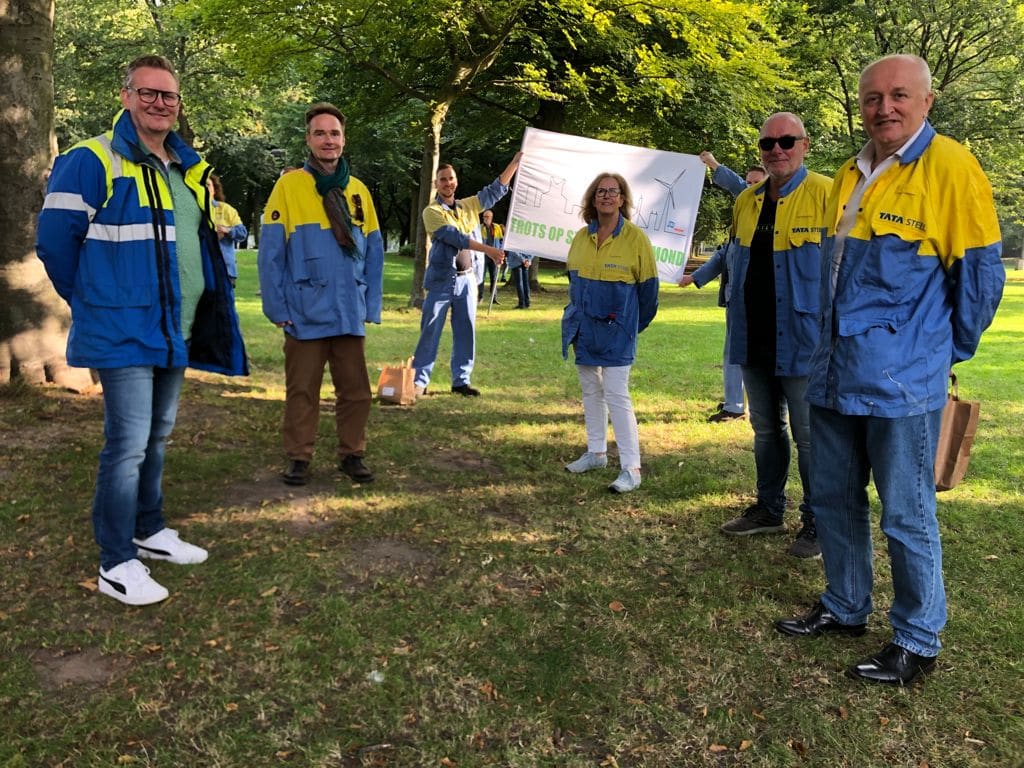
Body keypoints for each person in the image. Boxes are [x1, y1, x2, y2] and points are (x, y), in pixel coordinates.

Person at [776, 55, 1005, 685]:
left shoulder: (952, 167)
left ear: (927, 101)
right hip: (832, 369)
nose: (885, 107)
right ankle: (846, 606)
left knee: (905, 512)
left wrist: (938, 352)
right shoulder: (852, 171)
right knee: (833, 496)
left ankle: (917, 639)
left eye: (900, 95)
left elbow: (981, 281)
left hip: (902, 380)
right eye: (873, 97)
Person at [36, 54, 248, 606]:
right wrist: (93, 302)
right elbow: (56, 241)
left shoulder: (186, 168)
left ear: (179, 106)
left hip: (173, 328)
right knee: (126, 444)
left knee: (157, 436)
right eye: (147, 93)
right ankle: (115, 561)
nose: (159, 103)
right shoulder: (92, 159)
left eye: (169, 96)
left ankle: (148, 530)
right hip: (122, 329)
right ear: (126, 96)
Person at [716, 113, 831, 559]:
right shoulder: (745, 201)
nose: (776, 150)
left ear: (804, 145)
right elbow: (735, 265)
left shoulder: (826, 193)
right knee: (765, 429)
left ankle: (818, 522)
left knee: (810, 436)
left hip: (804, 340)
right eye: (768, 143)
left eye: (786, 141)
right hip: (753, 335)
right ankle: (768, 508)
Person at [258, 103, 385, 486]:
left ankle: (352, 453)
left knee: (357, 392)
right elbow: (271, 253)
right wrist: (276, 306)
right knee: (302, 390)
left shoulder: (358, 190)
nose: (328, 140)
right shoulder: (289, 185)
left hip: (347, 308)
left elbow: (374, 252)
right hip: (303, 308)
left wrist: (371, 304)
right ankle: (299, 457)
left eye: (334, 133)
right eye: (320, 133)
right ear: (308, 139)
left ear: (343, 140)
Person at [562, 172, 659, 494]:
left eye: (612, 192)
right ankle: (596, 452)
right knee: (590, 389)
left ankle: (631, 468)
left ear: (622, 199)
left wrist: (630, 327)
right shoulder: (580, 237)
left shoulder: (636, 239)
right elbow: (573, 283)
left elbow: (649, 295)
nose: (606, 196)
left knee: (617, 395)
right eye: (600, 191)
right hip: (584, 328)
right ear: (592, 198)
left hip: (619, 330)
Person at [411, 155, 522, 397]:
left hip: (467, 280)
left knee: (466, 331)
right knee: (430, 330)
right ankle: (419, 381)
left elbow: (495, 191)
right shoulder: (431, 212)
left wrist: (514, 163)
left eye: (450, 178)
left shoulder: (469, 205)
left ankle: (461, 381)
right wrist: (490, 250)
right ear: (437, 184)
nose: (447, 183)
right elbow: (455, 238)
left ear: (456, 181)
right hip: (441, 280)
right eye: (442, 180)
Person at [681, 156, 767, 422]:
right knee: (734, 351)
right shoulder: (742, 219)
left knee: (748, 354)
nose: (750, 187)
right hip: (736, 298)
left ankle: (741, 406)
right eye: (748, 181)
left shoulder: (767, 214)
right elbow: (723, 256)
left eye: (756, 183)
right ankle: (735, 403)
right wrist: (694, 277)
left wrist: (715, 166)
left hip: (757, 300)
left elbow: (741, 189)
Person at [207, 173, 248, 286]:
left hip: (225, 269)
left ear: (214, 189)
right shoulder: (191, 211)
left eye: (208, 185)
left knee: (225, 303)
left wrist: (227, 230)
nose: (205, 188)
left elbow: (242, 233)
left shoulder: (226, 210)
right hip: (200, 270)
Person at [479, 209, 504, 304]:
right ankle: (479, 297)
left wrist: (500, 250)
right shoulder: (480, 228)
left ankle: (494, 298)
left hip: (494, 255)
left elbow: (501, 240)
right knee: (481, 276)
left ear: (491, 218)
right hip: (484, 255)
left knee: (494, 277)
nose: (485, 218)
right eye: (484, 217)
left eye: (487, 217)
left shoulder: (497, 227)